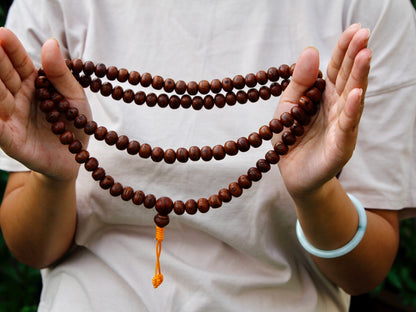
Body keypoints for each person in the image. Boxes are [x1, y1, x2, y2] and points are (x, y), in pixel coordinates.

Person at [0, 0, 415, 311]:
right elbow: (33, 248)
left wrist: (316, 193)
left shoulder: (369, 8)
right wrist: (53, 177)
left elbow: (367, 268)